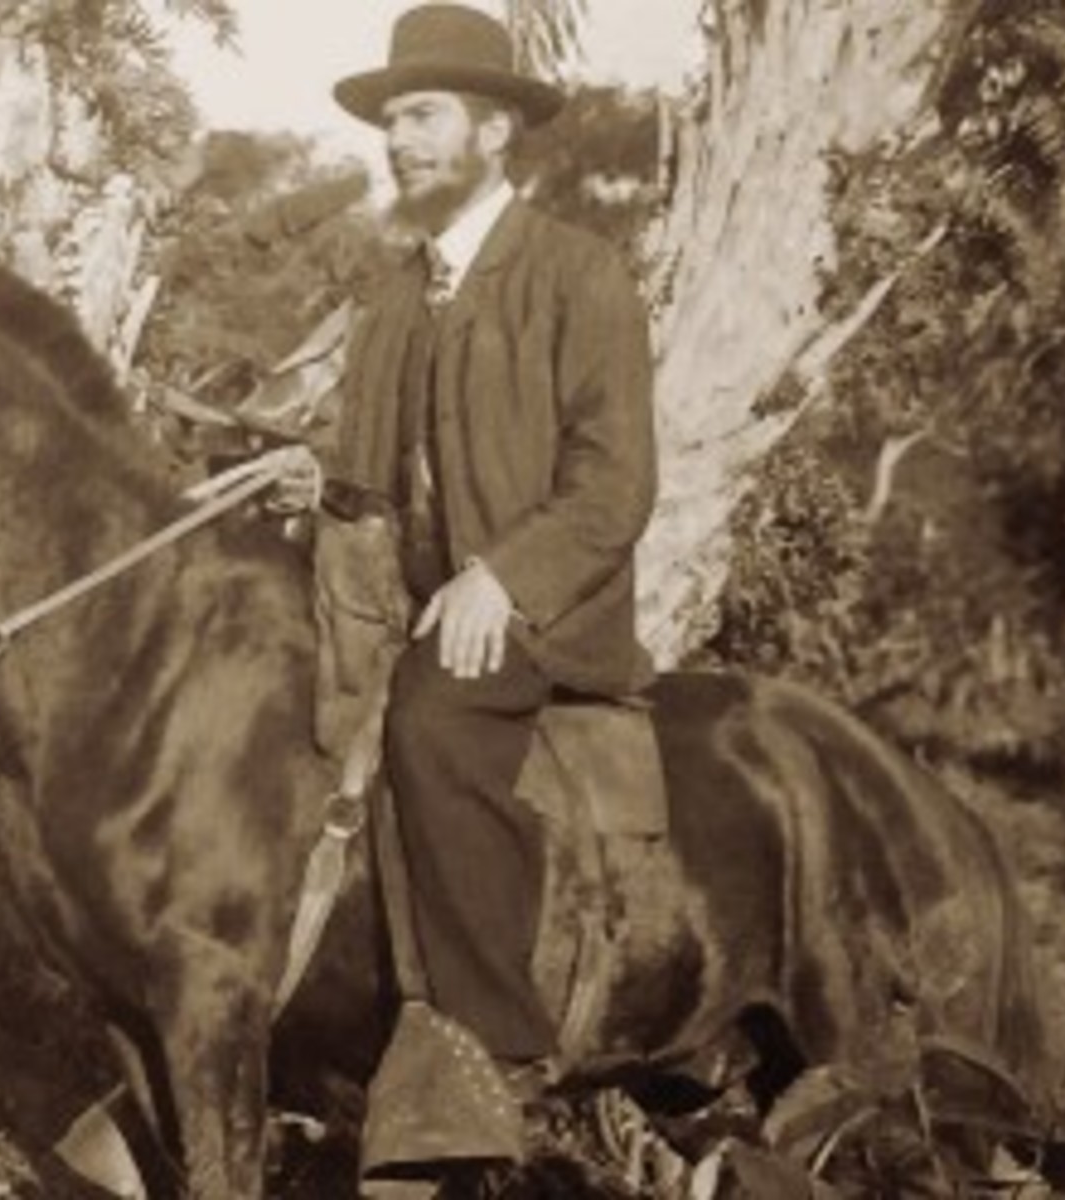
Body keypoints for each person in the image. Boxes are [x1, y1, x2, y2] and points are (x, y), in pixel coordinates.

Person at [326, 0, 658, 1141]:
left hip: (535, 613)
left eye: (423, 116)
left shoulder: (577, 275)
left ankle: (494, 1048)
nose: (400, 140)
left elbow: (615, 485)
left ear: (495, 131)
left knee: (432, 722)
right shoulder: (396, 295)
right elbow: (363, 477)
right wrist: (309, 491)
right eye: (392, 122)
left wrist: (501, 581)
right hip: (406, 604)